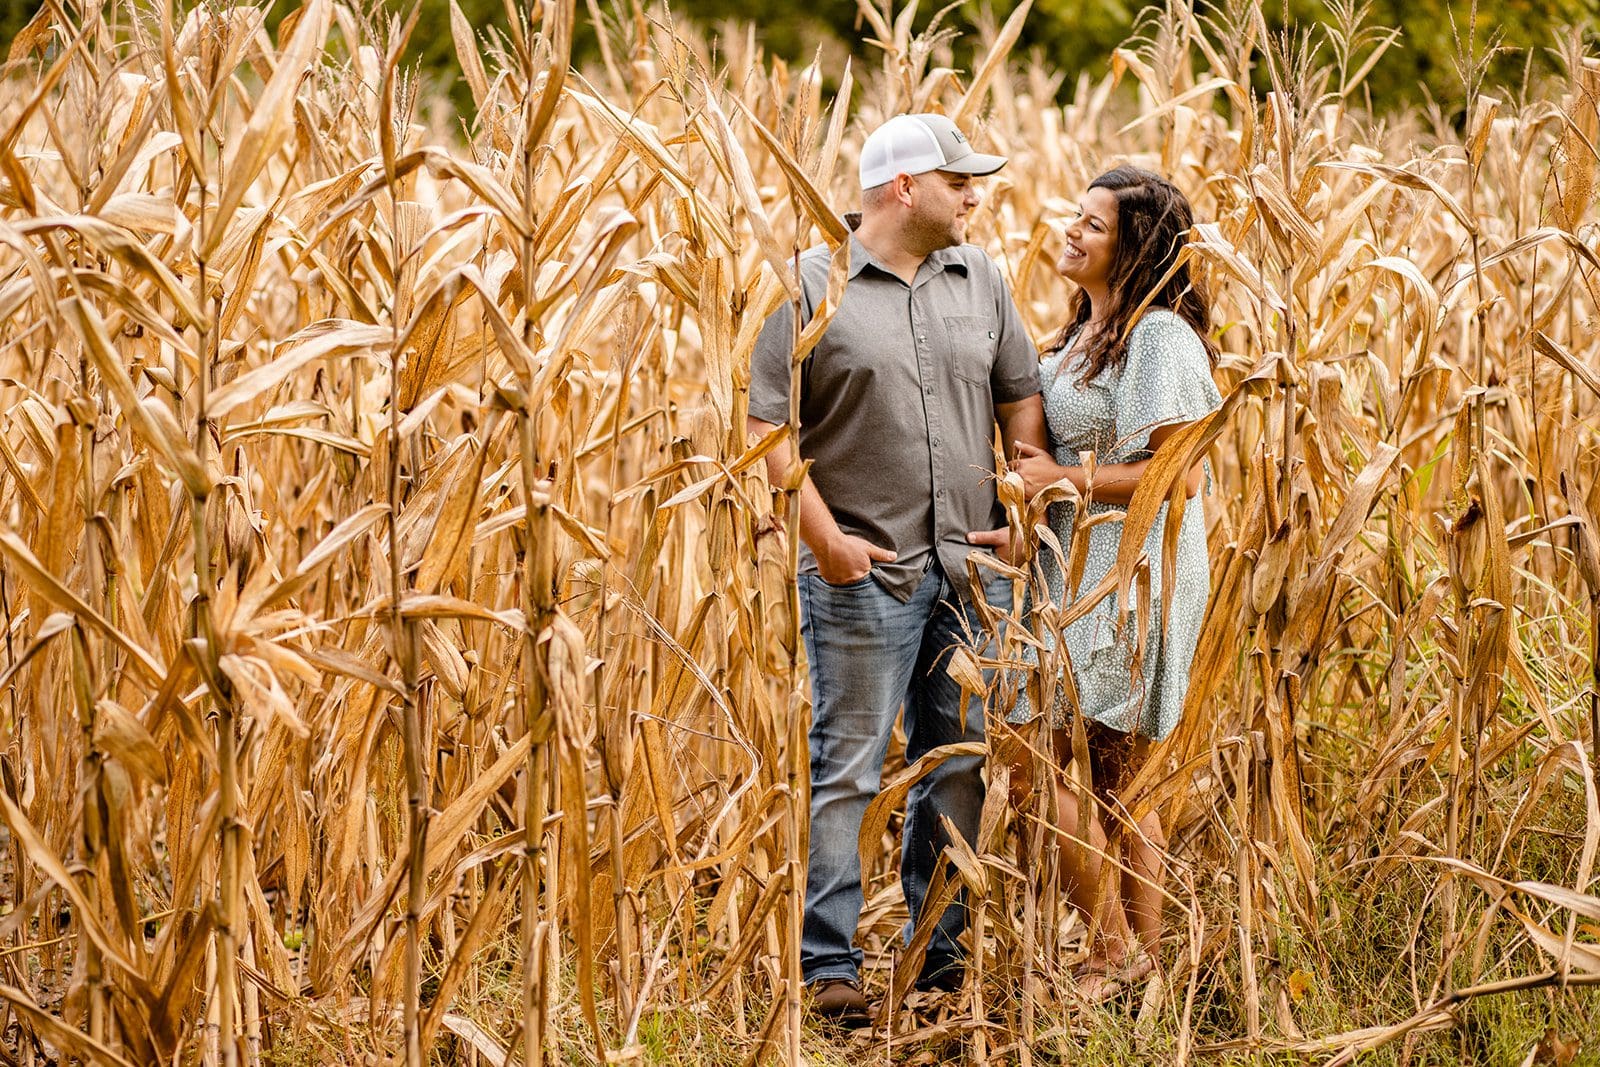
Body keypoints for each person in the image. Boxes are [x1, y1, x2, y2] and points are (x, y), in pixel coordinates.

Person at [747, 113, 1046, 1024]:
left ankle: (938, 964)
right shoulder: (811, 286)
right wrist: (825, 541)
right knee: (847, 769)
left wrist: (1022, 508)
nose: (976, 195)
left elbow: (1020, 397)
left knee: (955, 765)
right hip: (862, 576)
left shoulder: (983, 278)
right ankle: (828, 969)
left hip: (973, 573)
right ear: (904, 187)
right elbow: (767, 427)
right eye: (960, 180)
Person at [970, 165, 1221, 1004]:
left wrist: (1063, 481)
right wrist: (1018, 528)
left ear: (1136, 246)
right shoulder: (1082, 331)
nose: (1070, 232)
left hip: (1133, 574)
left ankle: (1114, 951)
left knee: (1056, 762)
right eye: (1072, 217)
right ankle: (1143, 969)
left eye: (1092, 225)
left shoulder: (1158, 336)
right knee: (1099, 777)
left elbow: (1175, 474)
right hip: (1071, 569)